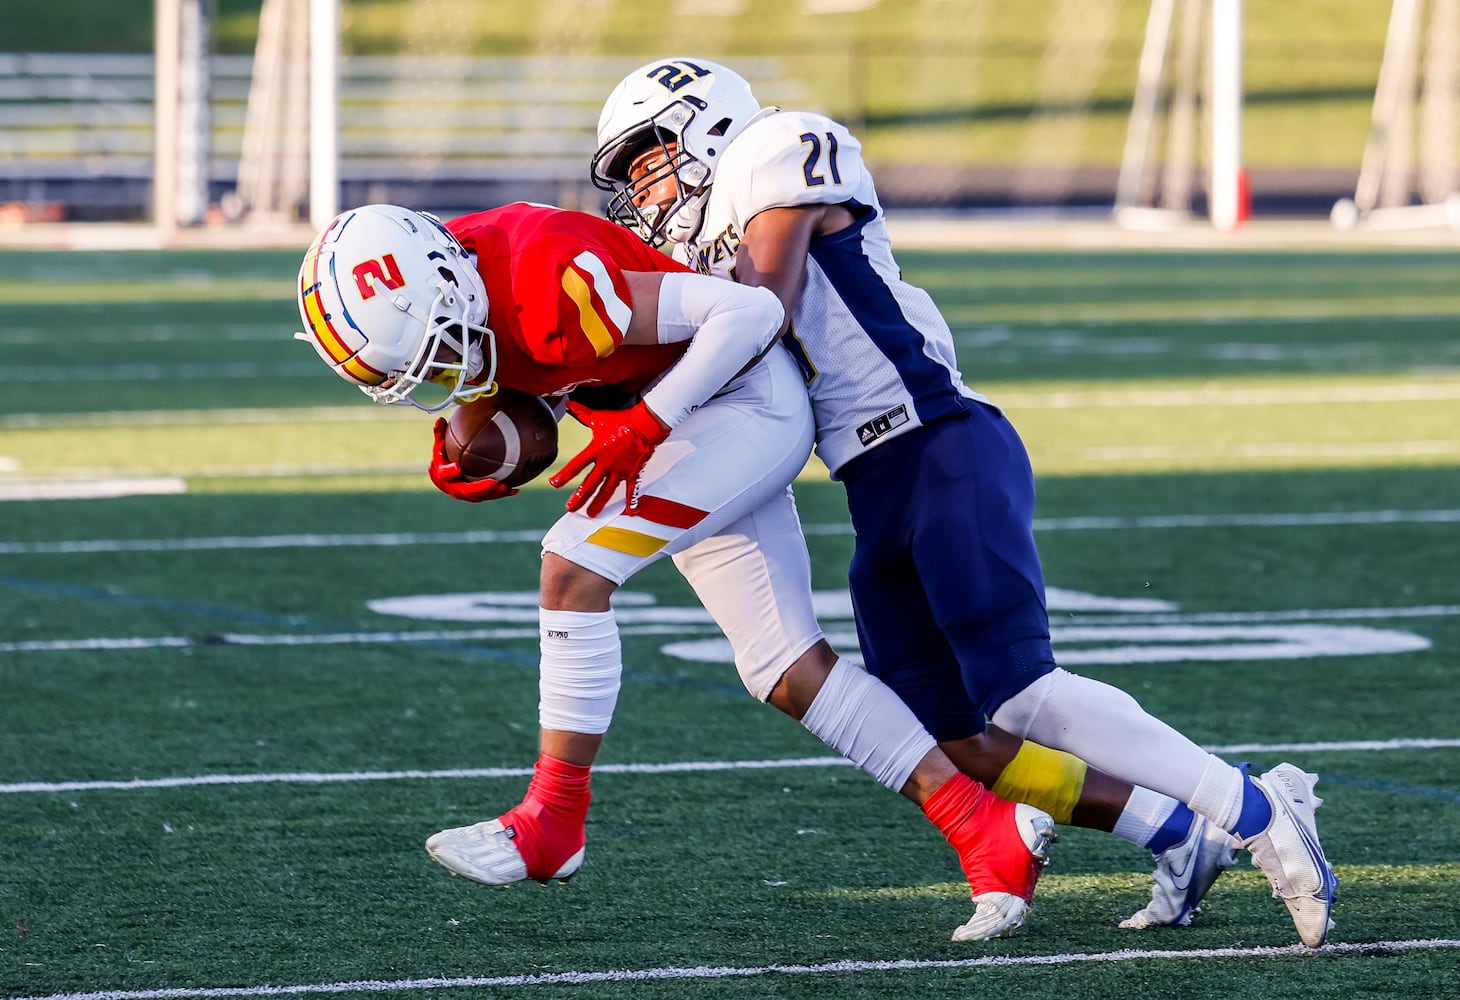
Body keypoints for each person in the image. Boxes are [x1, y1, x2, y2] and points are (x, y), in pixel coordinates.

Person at [591, 57, 1338, 947]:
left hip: (941, 443)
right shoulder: (706, 240)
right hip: (873, 488)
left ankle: (1254, 808)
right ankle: (1180, 835)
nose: (646, 184)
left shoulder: (776, 149)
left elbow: (759, 312)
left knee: (1020, 691)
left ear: (706, 122)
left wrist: (651, 386)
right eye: (630, 173)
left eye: (650, 156)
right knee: (951, 736)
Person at [294, 201, 1056, 941]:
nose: (452, 370)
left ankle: (552, 820)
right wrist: (511, 424)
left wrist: (647, 421)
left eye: (447, 347)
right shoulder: (454, 271)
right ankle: (987, 830)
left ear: (447, 281)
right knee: (785, 671)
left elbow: (751, 317)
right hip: (687, 419)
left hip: (743, 402)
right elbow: (556, 369)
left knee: (573, 566)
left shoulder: (547, 274)